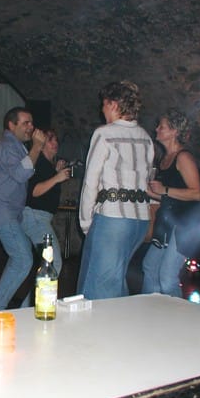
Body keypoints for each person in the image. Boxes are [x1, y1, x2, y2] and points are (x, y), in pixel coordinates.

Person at [77, 81, 154, 300]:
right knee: (116, 280)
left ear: (113, 104)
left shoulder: (105, 134)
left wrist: (85, 221)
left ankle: (100, 324)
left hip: (113, 218)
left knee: (99, 288)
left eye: (103, 105)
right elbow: (148, 179)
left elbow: (91, 181)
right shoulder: (146, 137)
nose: (102, 110)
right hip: (139, 220)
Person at [0, 107, 46, 311]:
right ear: (11, 125)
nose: (31, 127)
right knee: (23, 259)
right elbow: (21, 174)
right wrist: (37, 147)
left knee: (21, 257)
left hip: (9, 212)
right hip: (3, 212)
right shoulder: (7, 145)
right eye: (25, 123)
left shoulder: (14, 145)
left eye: (31, 123)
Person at [141, 109, 200, 297]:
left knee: (167, 277)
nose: (157, 129)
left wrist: (164, 190)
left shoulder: (183, 157)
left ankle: (177, 313)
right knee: (150, 266)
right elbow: (170, 197)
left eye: (162, 127)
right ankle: (151, 309)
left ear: (174, 131)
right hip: (168, 221)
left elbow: (196, 194)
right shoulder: (164, 159)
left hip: (185, 223)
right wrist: (150, 192)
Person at [22, 129, 70, 273]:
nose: (55, 143)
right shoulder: (39, 162)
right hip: (35, 217)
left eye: (56, 140)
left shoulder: (47, 165)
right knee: (53, 263)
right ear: (42, 144)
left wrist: (56, 172)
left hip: (39, 218)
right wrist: (57, 178)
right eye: (50, 140)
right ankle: (44, 289)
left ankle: (39, 289)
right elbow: (34, 191)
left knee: (44, 264)